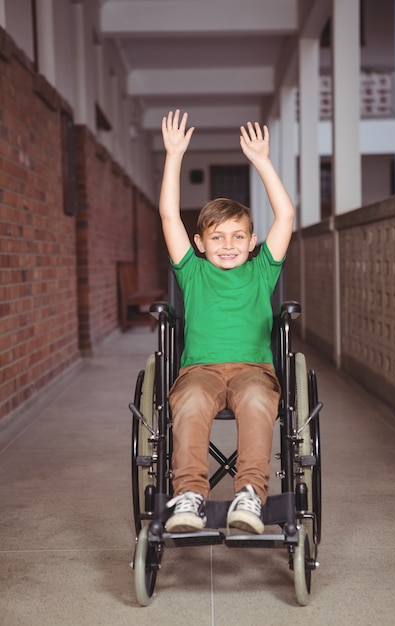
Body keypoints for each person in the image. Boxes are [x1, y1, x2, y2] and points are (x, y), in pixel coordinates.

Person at [160, 109, 295, 535]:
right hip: (199, 370)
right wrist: (174, 155)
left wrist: (262, 161)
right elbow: (167, 215)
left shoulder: (261, 271)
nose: (228, 244)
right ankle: (189, 495)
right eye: (216, 236)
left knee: (257, 402)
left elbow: (286, 217)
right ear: (199, 243)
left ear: (253, 242)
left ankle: (250, 493)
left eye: (239, 236)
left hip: (253, 370)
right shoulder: (193, 272)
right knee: (193, 402)